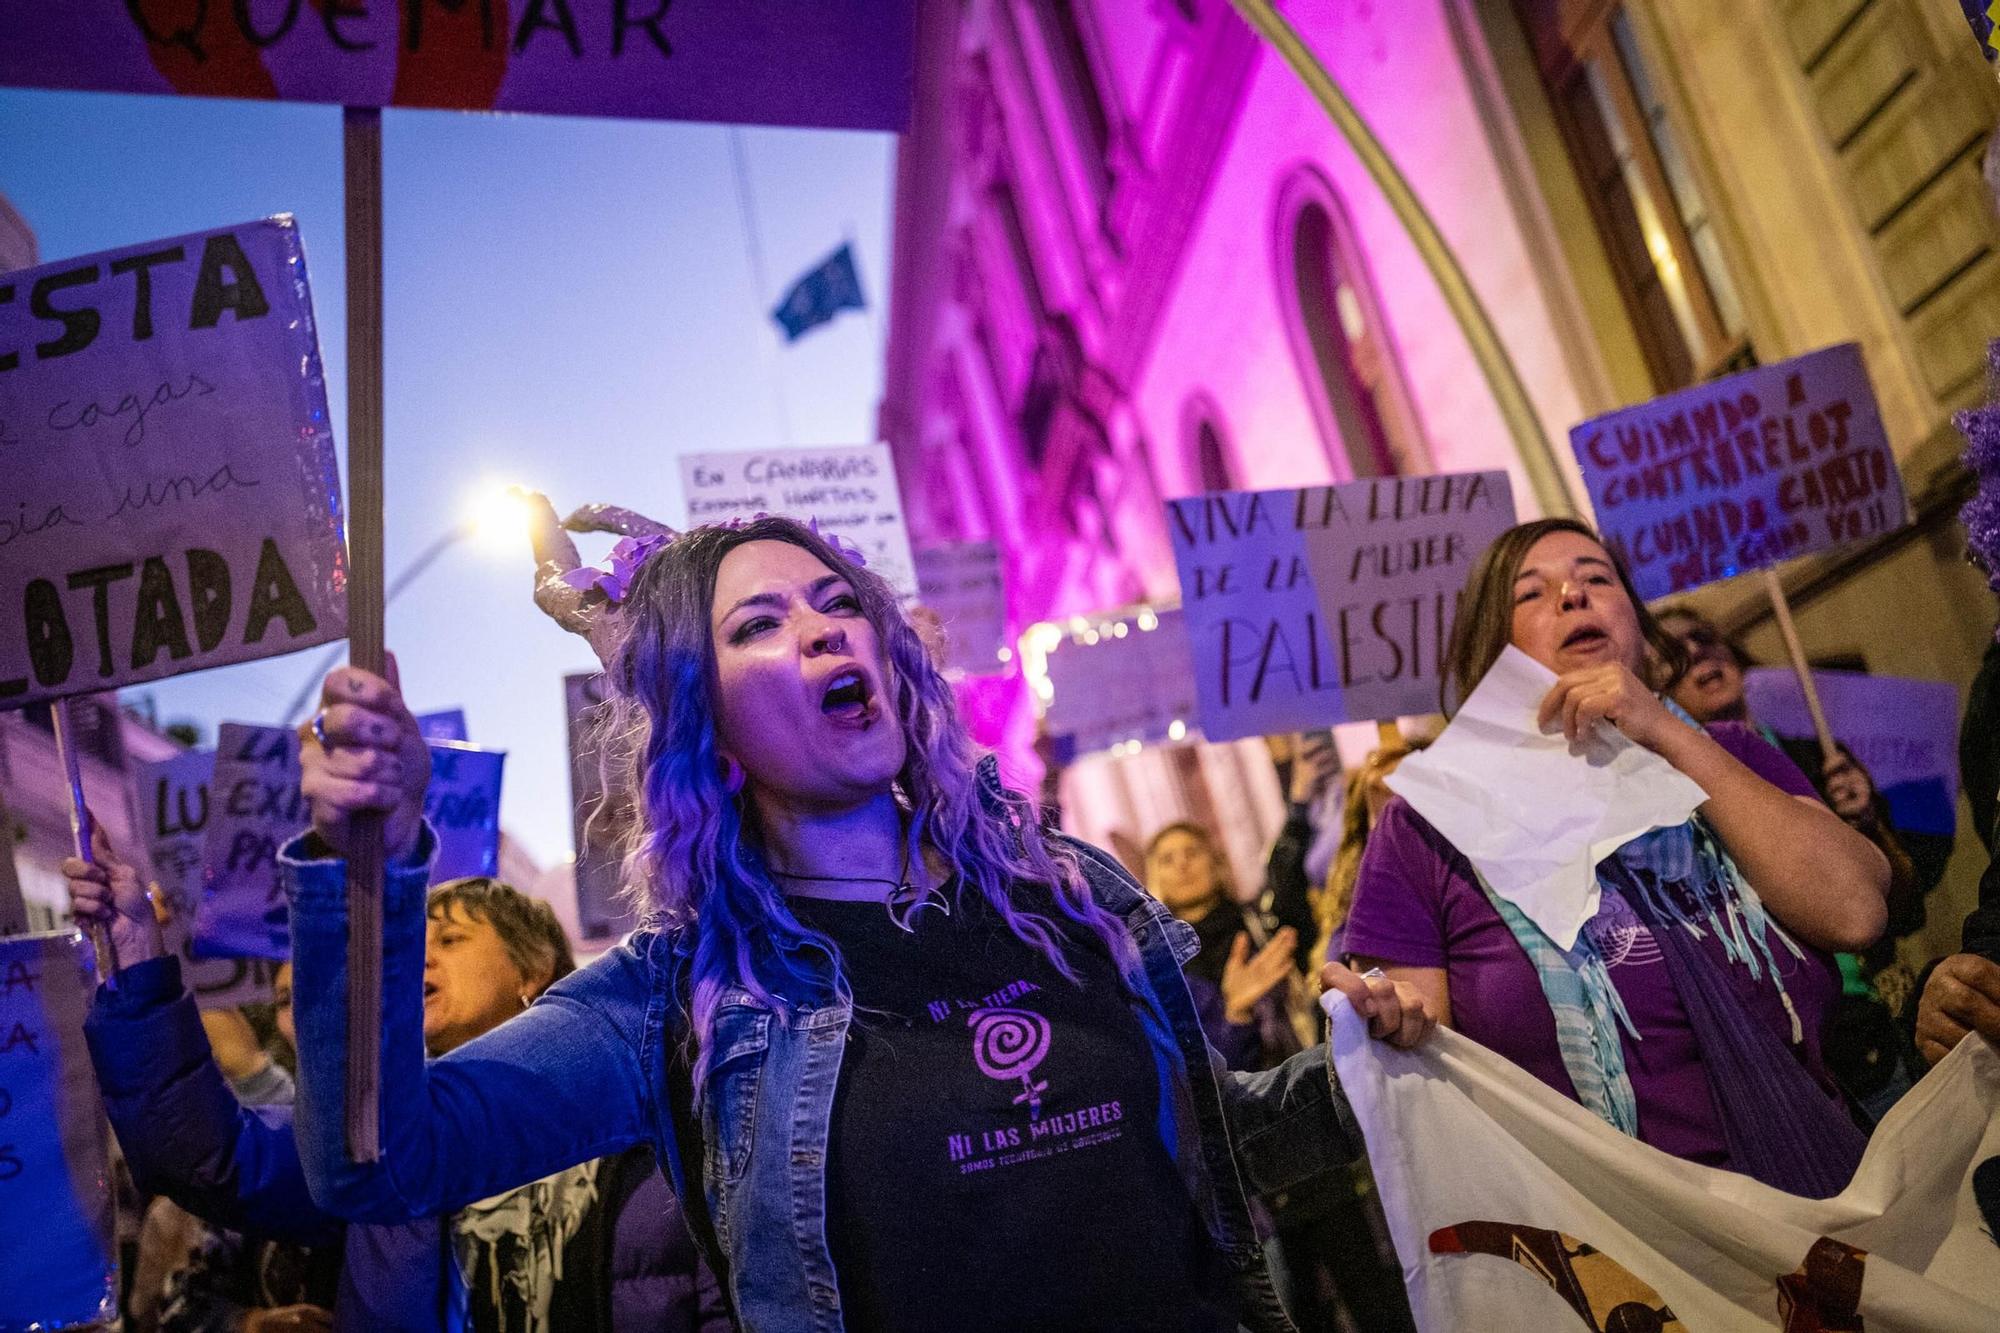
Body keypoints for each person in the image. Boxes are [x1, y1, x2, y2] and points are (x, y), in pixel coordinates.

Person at [278, 509, 1425, 1332]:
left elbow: (1216, 1150)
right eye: (760, 624)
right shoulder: (678, 998)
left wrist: (1381, 1064)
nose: (827, 631)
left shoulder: (1071, 897)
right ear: (701, 726)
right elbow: (376, 1162)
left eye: (839, 604)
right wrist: (364, 868)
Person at [1331, 518, 1889, 1199]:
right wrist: (1395, 1023)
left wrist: (1662, 730)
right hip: (1622, 1253)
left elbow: (1857, 911)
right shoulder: (1426, 825)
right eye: (1531, 594)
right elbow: (1429, 1087)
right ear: (1489, 650)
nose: (1573, 595)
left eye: (1597, 577)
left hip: (1822, 1200)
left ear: (1640, 627)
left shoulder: (1734, 755)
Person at [68, 833, 724, 1333]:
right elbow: (204, 1158)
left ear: (536, 970)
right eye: (412, 942)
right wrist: (137, 965)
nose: (422, 957)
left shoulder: (658, 1111)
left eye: (453, 937)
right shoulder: (373, 1132)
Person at [1141, 821, 1302, 1070]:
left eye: (1192, 853)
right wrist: (1237, 1013)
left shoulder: (1261, 924)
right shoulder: (1158, 967)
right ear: (1153, 879)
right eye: (1167, 860)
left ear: (1216, 862)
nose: (1183, 865)